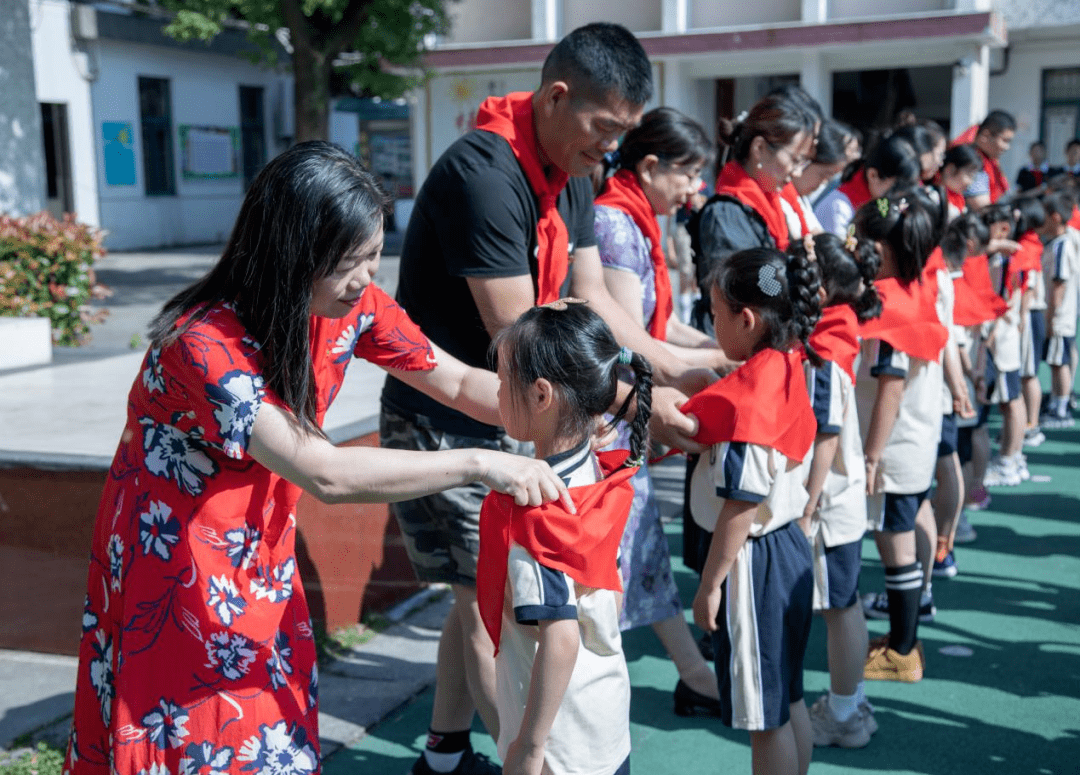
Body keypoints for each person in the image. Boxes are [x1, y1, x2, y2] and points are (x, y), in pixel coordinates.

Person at [62, 142, 574, 775]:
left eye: (374, 255)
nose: (368, 278)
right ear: (290, 254)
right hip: (176, 561)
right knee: (192, 736)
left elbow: (461, 384)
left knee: (268, 730)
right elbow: (326, 472)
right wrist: (482, 463)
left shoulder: (348, 308)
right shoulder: (203, 344)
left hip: (258, 548)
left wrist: (565, 405)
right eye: (350, 261)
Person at [379, 24, 706, 775]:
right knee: (490, 612)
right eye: (606, 129)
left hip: (522, 410)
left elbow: (590, 300)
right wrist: (634, 399)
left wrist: (657, 381)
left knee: (477, 597)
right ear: (557, 97)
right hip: (449, 421)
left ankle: (443, 750)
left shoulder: (574, 168)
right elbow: (521, 334)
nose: (612, 149)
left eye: (625, 133)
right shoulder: (486, 173)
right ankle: (529, 759)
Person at [477, 300, 650, 775]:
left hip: (560, 745)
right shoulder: (597, 472)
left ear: (541, 395)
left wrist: (530, 747)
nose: (495, 391)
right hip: (605, 715)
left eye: (501, 380)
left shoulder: (537, 514)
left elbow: (560, 639)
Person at [592, 106, 725, 713]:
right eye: (689, 174)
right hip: (608, 414)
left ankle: (692, 674)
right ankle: (693, 676)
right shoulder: (617, 224)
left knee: (638, 547)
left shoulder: (639, 220)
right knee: (628, 548)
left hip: (623, 409)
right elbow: (627, 339)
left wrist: (723, 352)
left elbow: (657, 324)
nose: (695, 188)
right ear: (649, 167)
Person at [686, 247, 822, 775]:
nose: (713, 324)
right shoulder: (789, 361)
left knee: (765, 719)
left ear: (746, 318)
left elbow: (741, 505)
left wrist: (709, 583)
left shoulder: (749, 401)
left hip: (752, 560)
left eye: (715, 314)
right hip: (788, 547)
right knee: (787, 701)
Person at [854, 191, 947, 683]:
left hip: (894, 448)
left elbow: (888, 387)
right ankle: (901, 640)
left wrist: (871, 456)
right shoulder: (917, 286)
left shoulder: (888, 305)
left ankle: (904, 650)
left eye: (866, 241)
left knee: (895, 544)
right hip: (915, 441)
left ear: (886, 250)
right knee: (901, 539)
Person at [795, 232, 881, 749]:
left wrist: (807, 504)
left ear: (822, 290)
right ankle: (852, 701)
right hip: (841, 496)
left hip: (828, 498)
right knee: (844, 606)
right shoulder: (841, 327)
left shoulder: (825, 344)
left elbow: (825, 431)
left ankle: (844, 714)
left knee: (840, 607)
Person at [814, 133, 921, 238]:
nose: (901, 193)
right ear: (873, 175)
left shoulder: (880, 202)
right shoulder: (839, 209)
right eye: (897, 187)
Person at [1039, 189, 1080, 428]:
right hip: (1060, 315)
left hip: (1059, 316)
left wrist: (1050, 317)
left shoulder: (1062, 246)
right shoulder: (1061, 242)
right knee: (1057, 361)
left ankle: (1061, 407)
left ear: (1054, 217)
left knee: (1058, 362)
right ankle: (1056, 400)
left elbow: (1058, 285)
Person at [954, 110, 1016, 209]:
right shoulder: (970, 159)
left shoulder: (988, 159)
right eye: (1005, 140)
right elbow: (982, 207)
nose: (1007, 147)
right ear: (985, 135)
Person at [941, 144, 982, 220]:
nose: (970, 182)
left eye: (973, 178)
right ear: (950, 169)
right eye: (969, 175)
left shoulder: (959, 199)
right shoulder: (932, 193)